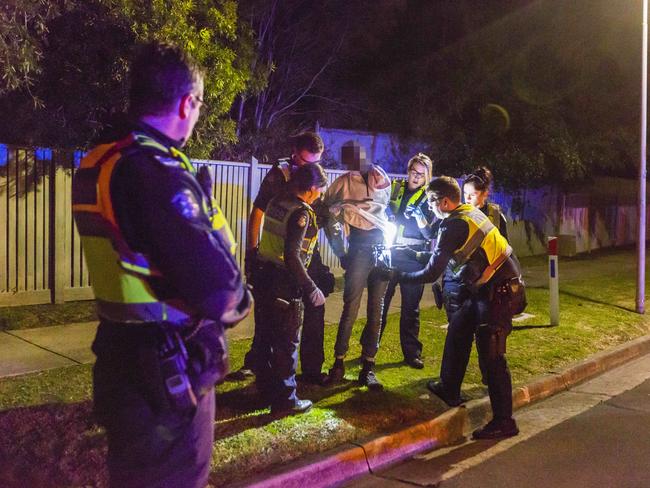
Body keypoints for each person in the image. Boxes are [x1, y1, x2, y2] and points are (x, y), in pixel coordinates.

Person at [72, 43, 251, 487]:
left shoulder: (100, 160)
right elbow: (222, 293)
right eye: (200, 103)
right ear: (187, 102)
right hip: (169, 375)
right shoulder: (157, 172)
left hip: (121, 360)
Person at [394, 176, 525, 440]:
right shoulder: (466, 214)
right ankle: (449, 388)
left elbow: (432, 272)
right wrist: (411, 253)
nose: (429, 208)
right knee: (458, 329)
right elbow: (448, 256)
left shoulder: (454, 224)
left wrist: (399, 276)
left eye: (431, 202)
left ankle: (504, 421)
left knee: (493, 356)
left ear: (443, 201)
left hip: (500, 291)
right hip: (487, 287)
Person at [240, 131, 333, 385]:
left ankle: (312, 369)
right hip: (281, 258)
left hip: (304, 253)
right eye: (305, 161)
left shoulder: (315, 179)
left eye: (316, 161)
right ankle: (261, 365)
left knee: (315, 307)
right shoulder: (280, 174)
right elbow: (258, 212)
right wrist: (253, 254)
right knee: (271, 311)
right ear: (294, 153)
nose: (311, 167)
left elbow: (323, 217)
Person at [254, 163, 329, 414]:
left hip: (264, 276)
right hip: (285, 284)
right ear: (309, 189)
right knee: (287, 343)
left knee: (266, 337)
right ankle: (286, 400)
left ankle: (265, 391)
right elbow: (292, 255)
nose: (319, 195)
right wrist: (311, 288)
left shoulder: (276, 201)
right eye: (318, 190)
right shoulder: (301, 213)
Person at [323, 141, 392, 390]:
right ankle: (338, 363)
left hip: (382, 247)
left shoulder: (381, 178)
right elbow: (326, 212)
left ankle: (368, 367)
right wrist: (340, 251)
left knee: (377, 309)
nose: (357, 162)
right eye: (351, 158)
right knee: (350, 306)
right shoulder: (342, 183)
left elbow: (385, 208)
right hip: (359, 247)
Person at [380, 153, 437, 369]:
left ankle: (412, 353)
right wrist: (386, 211)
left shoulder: (429, 199)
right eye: (413, 172)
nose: (415, 177)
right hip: (389, 254)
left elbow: (430, 234)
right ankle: (370, 350)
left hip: (413, 257)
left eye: (420, 174)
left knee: (410, 308)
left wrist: (420, 218)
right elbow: (380, 207)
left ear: (427, 177)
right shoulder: (395, 188)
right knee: (380, 304)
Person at [463, 166, 508, 240]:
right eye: (465, 193)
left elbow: (504, 247)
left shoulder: (495, 216)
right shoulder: (460, 213)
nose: (467, 198)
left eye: (472, 195)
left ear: (485, 193)